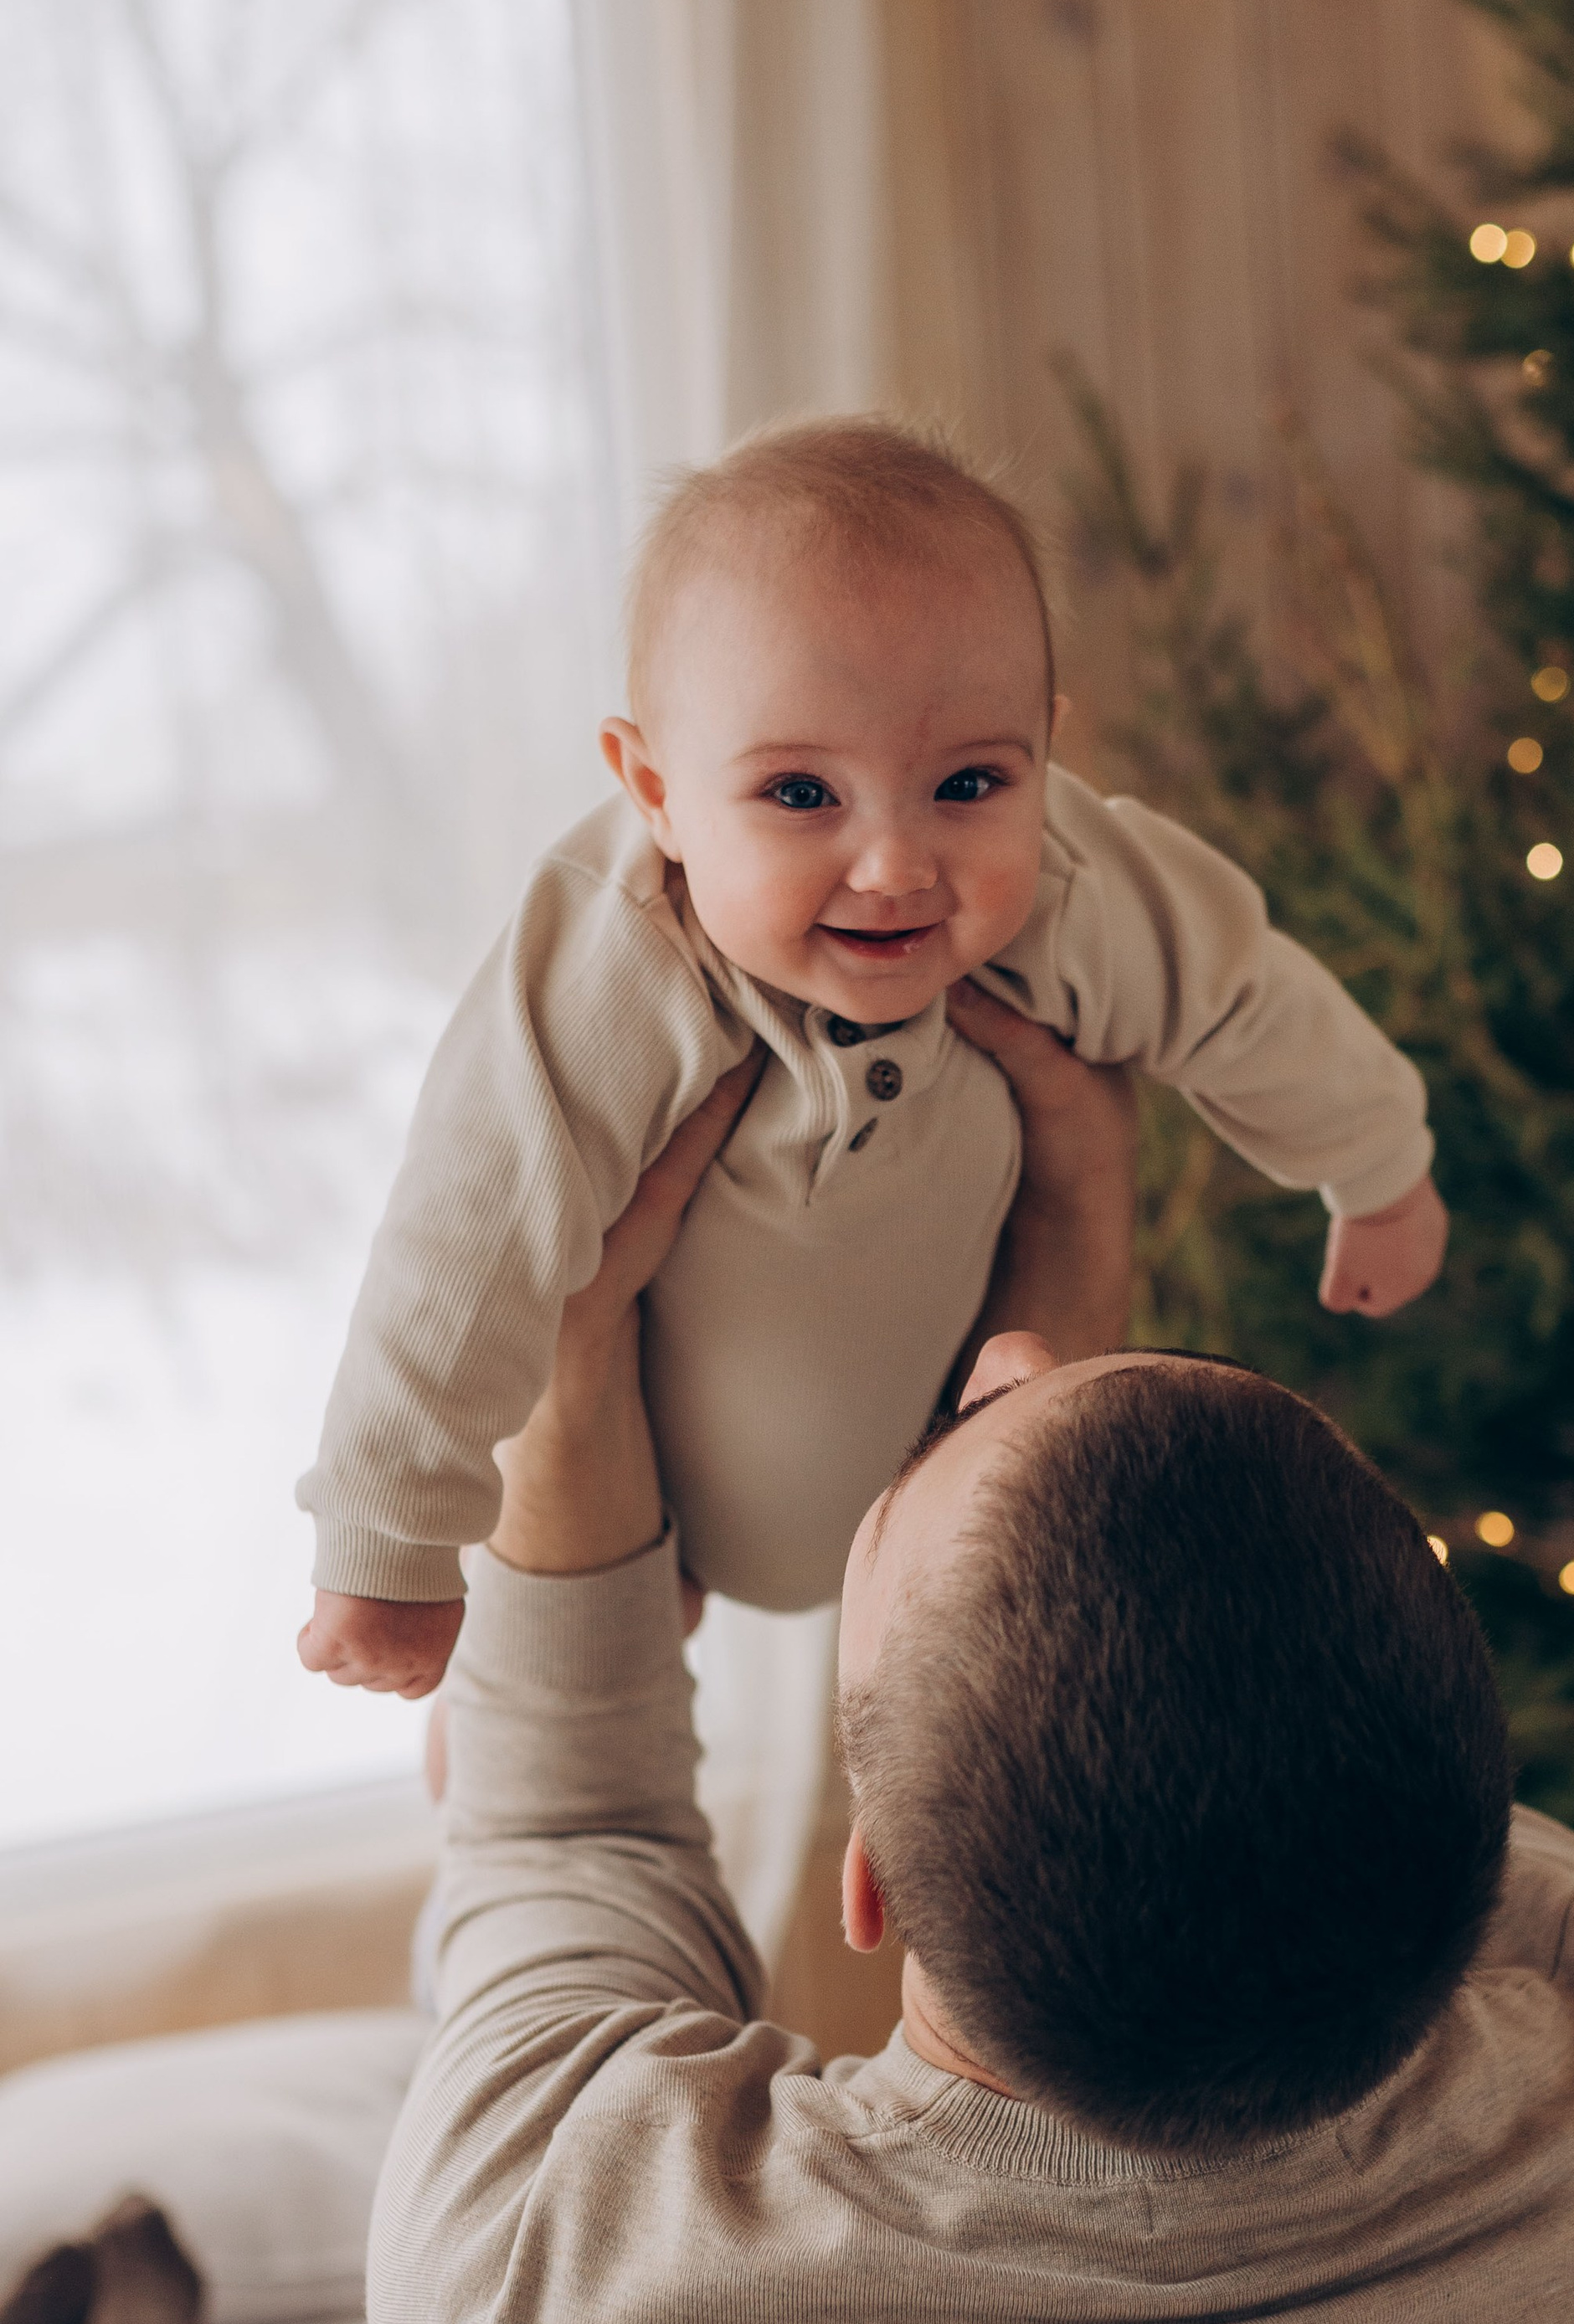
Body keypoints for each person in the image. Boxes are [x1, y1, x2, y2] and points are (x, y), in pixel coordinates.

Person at [0, 1010, 1574, 2324]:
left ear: (868, 1894)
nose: (1001, 1365)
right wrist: (1045, 1368)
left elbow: (568, 1835)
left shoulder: (569, 2308)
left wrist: (565, 1395)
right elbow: (1212, 1707)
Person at [296, 414, 1447, 1699]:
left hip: (932, 1493)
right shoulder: (612, 969)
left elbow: (1241, 992)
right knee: (580, 1609)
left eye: (969, 786)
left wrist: (1375, 1166)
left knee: (974, 1658)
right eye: (802, 794)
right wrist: (391, 1542)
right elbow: (462, 1247)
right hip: (649, 1493)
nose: (897, 867)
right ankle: (491, 1706)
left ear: (1045, 750)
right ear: (656, 791)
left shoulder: (1075, 889)